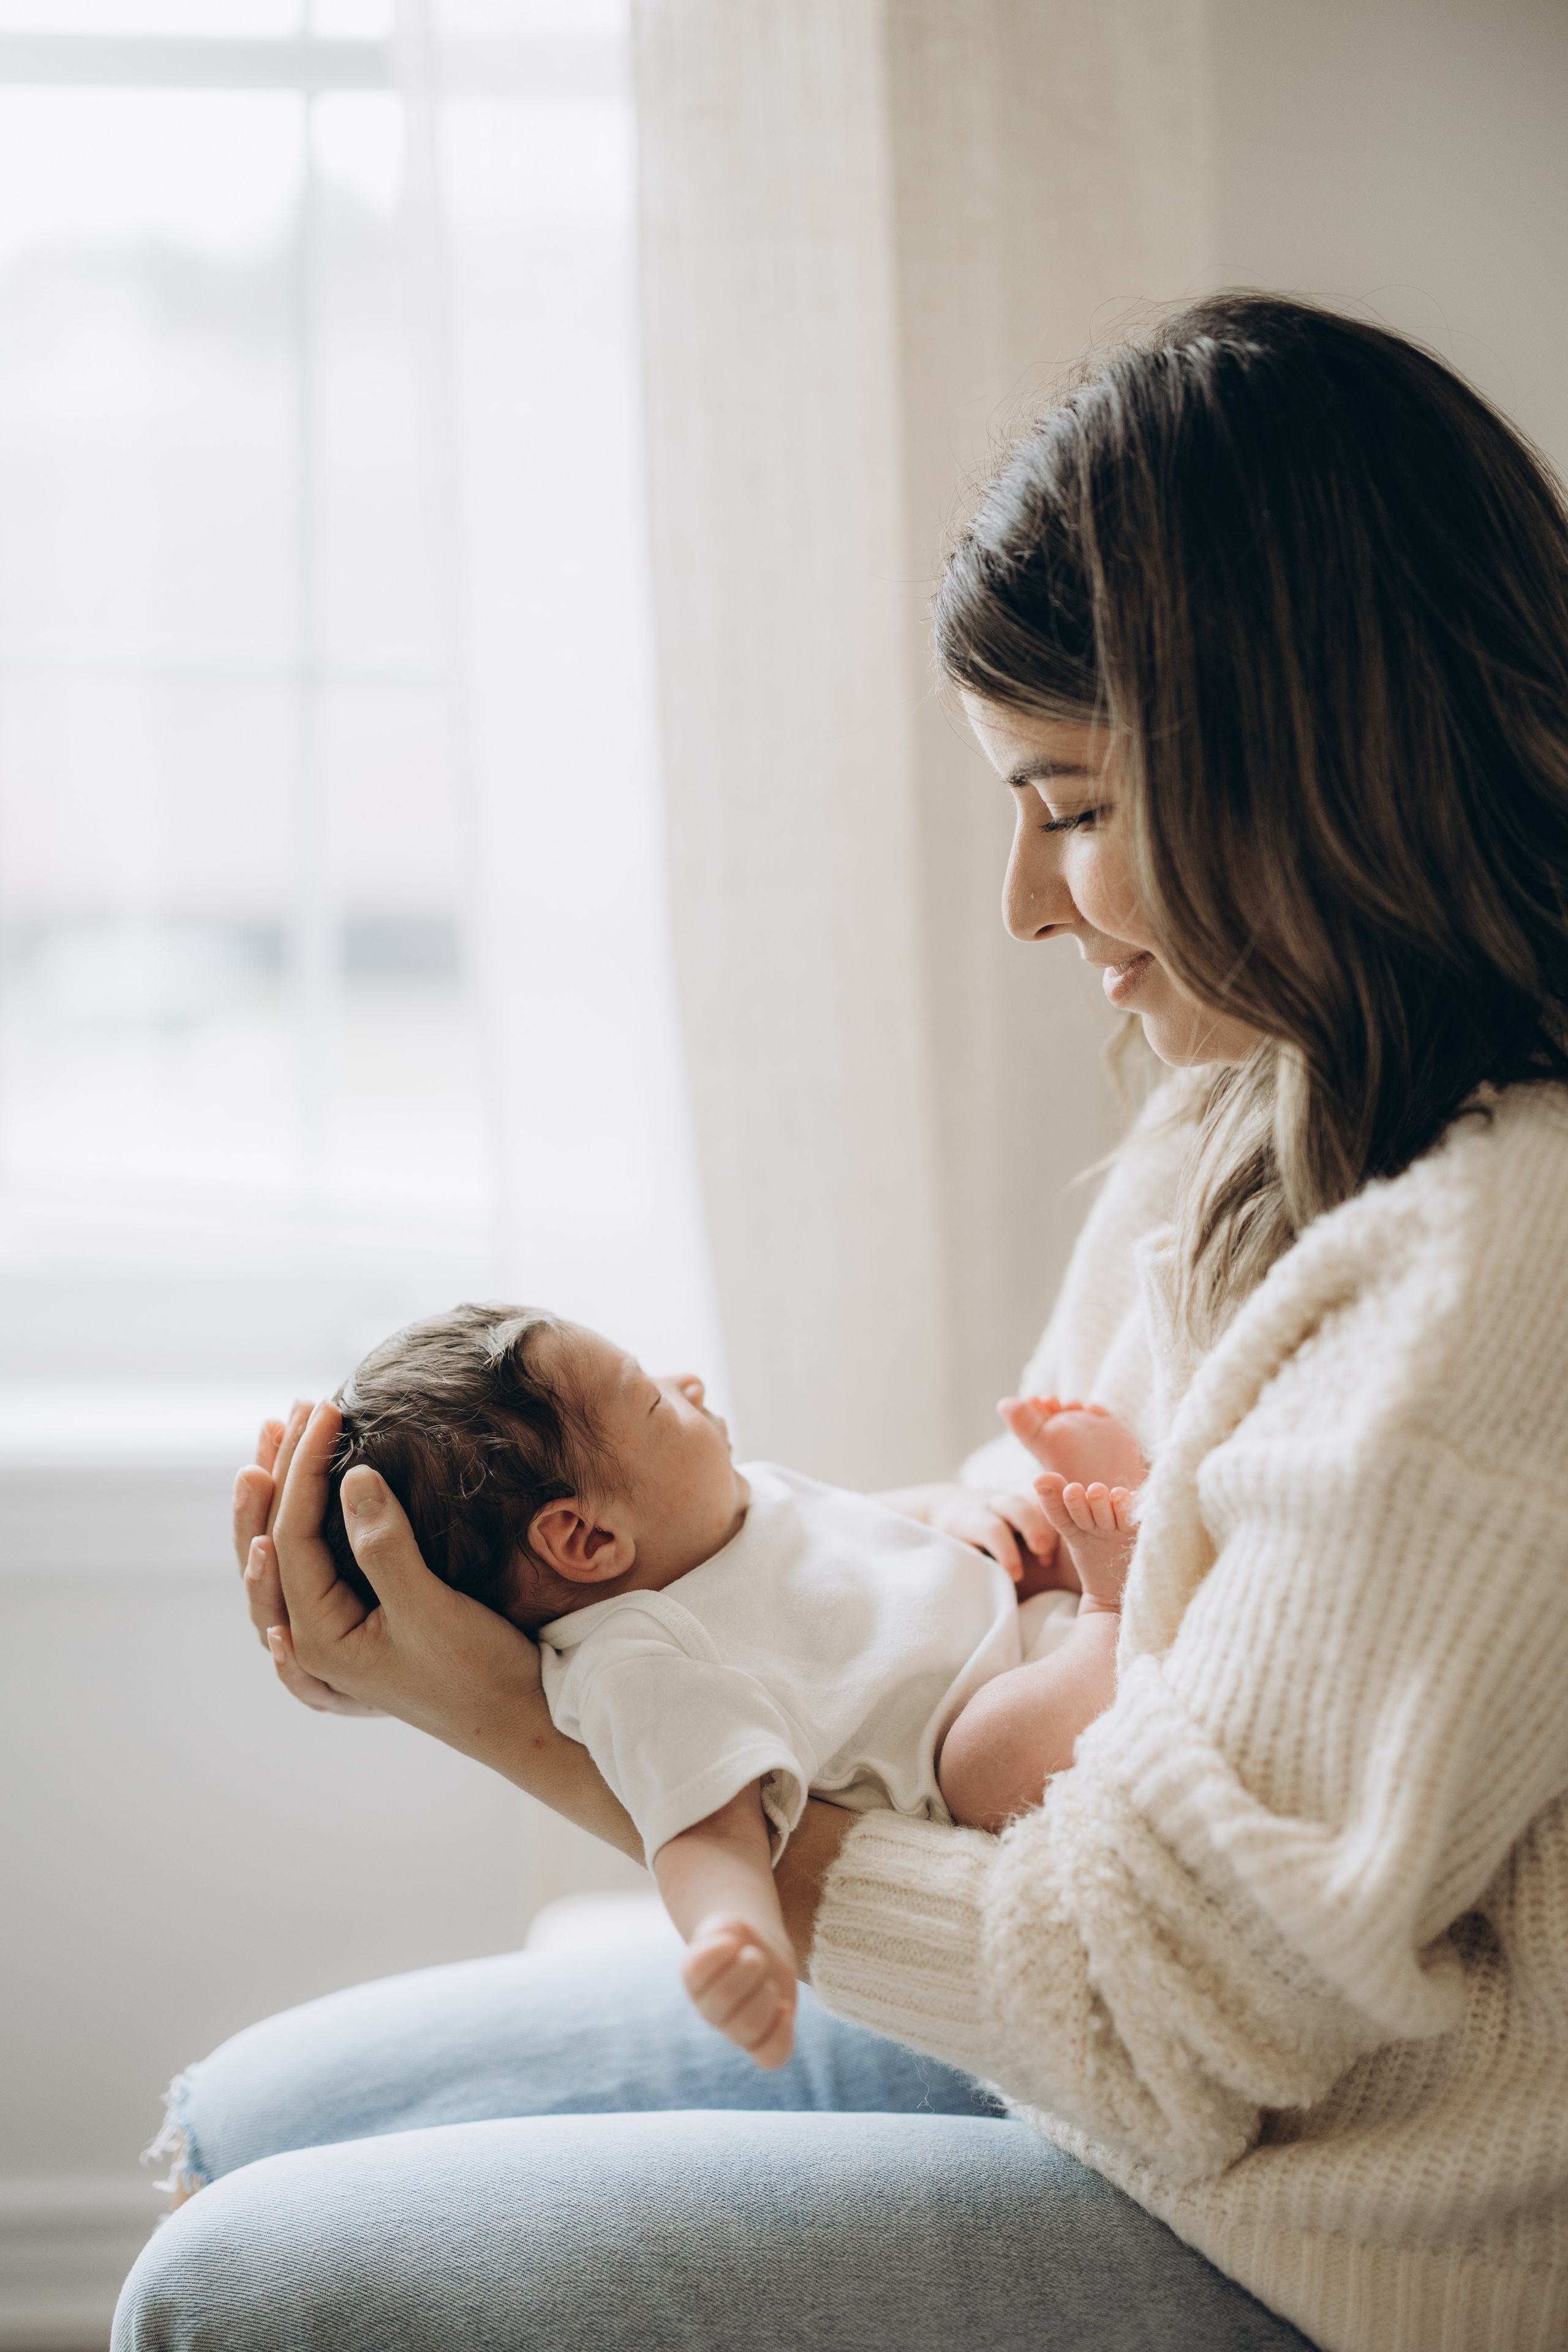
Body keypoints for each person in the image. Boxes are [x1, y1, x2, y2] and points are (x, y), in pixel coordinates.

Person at [114, 294, 1568, 2352]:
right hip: (1159, 2061)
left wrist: (559, 1731)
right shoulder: (1260, 1092)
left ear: (1305, 763)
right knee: (261, 2116)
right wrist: (644, 1605)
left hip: (1348, 2218)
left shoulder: (1501, 1284)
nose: (1028, 904)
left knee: (233, 2293)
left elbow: (1162, 2026)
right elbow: (1001, 1549)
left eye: (1070, 805)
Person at [312, 1303, 1143, 2069]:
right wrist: (734, 1929)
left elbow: (875, 1528)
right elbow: (704, 1831)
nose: (689, 1384)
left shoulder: (737, 1504)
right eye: (651, 1399)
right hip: (988, 1751)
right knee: (982, 1766)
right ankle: (1117, 1608)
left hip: (1021, 1634)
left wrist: (963, 1515)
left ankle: (1110, 1565)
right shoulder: (639, 1661)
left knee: (1022, 1538)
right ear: (585, 1536)